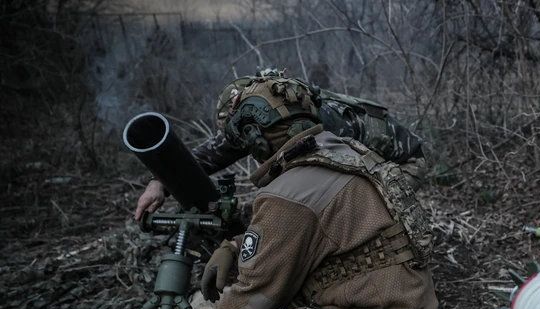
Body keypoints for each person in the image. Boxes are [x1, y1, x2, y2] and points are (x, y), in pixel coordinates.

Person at [165, 72, 438, 309]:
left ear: (256, 139)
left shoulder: (289, 191)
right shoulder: (342, 150)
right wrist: (234, 245)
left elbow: (254, 297)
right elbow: (307, 229)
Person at [135, 68, 427, 220]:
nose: (243, 143)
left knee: (345, 217)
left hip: (402, 164)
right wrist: (159, 181)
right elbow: (212, 154)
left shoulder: (323, 126)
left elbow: (331, 189)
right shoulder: (264, 116)